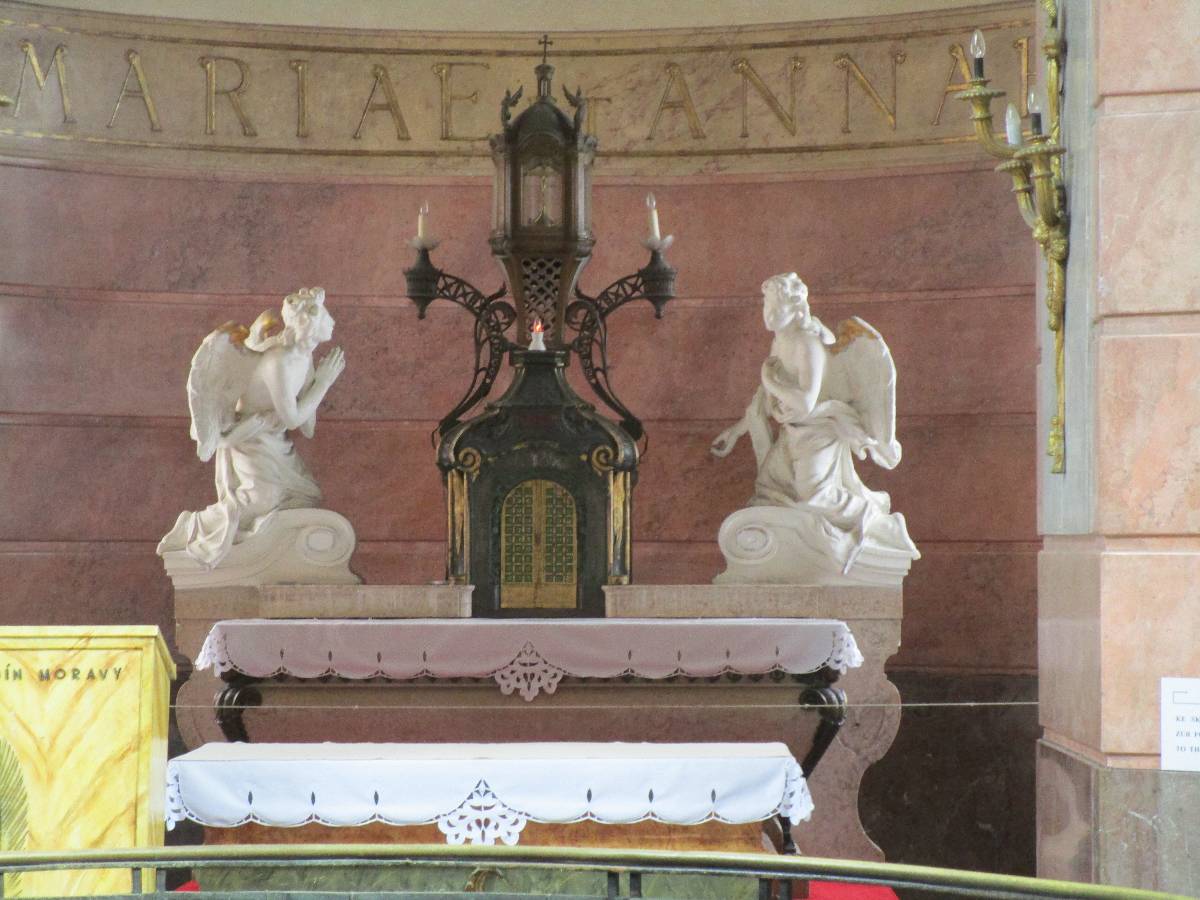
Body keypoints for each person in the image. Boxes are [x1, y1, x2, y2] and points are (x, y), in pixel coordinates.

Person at [157, 287, 345, 568]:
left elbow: (306, 426)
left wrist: (315, 384)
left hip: (275, 440)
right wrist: (323, 383)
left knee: (305, 497)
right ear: (309, 324)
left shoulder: (304, 358)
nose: (332, 322)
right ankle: (194, 526)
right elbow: (293, 419)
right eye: (326, 316)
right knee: (262, 500)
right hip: (250, 438)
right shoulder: (278, 361)